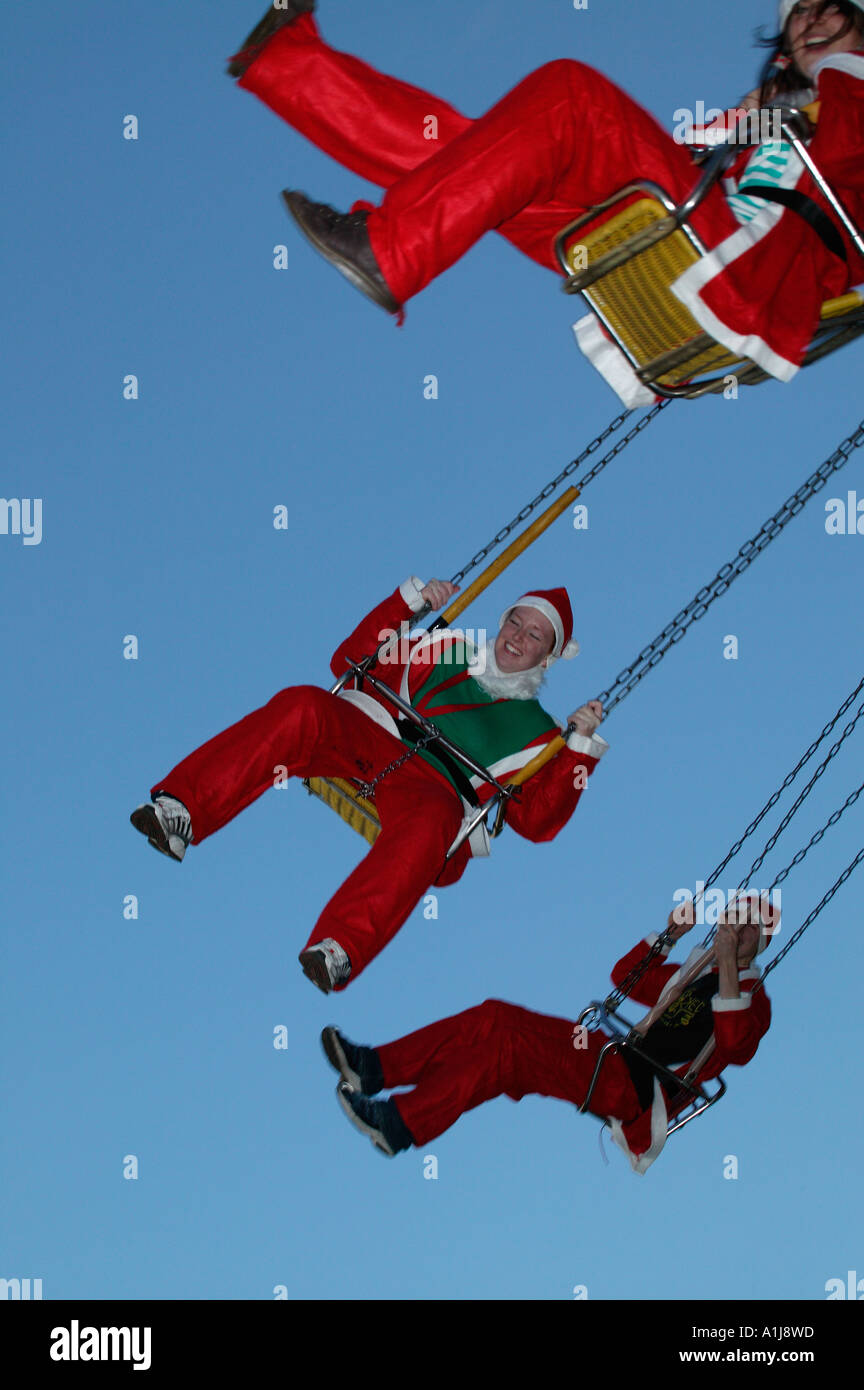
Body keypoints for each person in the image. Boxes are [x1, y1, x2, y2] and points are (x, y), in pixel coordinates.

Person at [227, 1, 864, 397]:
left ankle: (392, 252)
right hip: (679, 244)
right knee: (486, 155)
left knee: (571, 95)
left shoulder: (846, 100)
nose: (812, 19)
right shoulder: (776, 121)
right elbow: (686, 159)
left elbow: (839, 144)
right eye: (799, 13)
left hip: (749, 278)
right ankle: (288, 64)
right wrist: (747, 121)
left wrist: (797, 98)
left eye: (830, 7)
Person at [130, 575, 607, 993]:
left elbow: (537, 822)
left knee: (433, 823)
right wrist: (408, 605)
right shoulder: (445, 647)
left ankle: (339, 947)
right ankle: (181, 810)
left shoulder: (544, 736)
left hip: (437, 790)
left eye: (535, 634)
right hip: (376, 733)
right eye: (515, 623)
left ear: (550, 656)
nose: (518, 637)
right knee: (305, 705)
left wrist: (579, 749)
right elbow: (350, 659)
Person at [324, 894, 778, 1173]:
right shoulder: (690, 974)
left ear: (761, 944)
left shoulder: (755, 1000)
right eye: (735, 919)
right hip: (611, 1054)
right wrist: (666, 938)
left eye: (751, 928)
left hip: (638, 1087)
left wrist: (727, 977)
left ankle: (400, 1124)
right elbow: (626, 977)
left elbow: (736, 1044)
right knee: (495, 1016)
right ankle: (374, 1067)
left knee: (510, 1051)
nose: (739, 929)